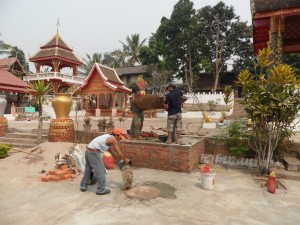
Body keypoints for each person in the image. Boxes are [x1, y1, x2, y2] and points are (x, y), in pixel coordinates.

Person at [80, 128, 130, 195]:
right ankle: (100, 190)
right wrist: (125, 160)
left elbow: (112, 152)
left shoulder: (108, 137)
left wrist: (119, 161)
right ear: (117, 135)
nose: (119, 139)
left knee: (88, 169)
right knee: (101, 172)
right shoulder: (113, 139)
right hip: (94, 152)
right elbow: (120, 153)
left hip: (88, 151)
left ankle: (83, 186)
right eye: (120, 137)